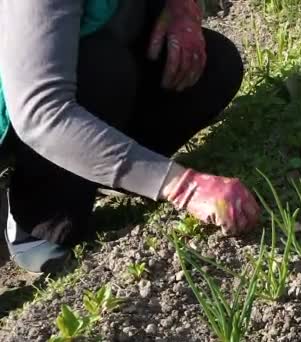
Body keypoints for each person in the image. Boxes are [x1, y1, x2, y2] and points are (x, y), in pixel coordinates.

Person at [0, 0, 261, 275]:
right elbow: (41, 114)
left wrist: (181, 8)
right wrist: (184, 187)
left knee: (214, 64)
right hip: (29, 111)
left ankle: (114, 171)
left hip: (101, 54)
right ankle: (35, 220)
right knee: (103, 67)